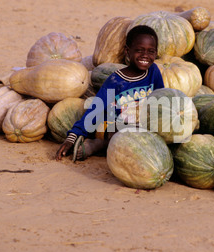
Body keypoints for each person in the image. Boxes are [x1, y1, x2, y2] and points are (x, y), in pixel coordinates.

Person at [55, 25, 165, 162]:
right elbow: (96, 110)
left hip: (144, 125)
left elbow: (161, 96)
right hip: (119, 128)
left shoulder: (153, 71)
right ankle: (99, 145)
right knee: (120, 132)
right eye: (139, 50)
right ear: (127, 51)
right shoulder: (115, 80)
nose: (145, 56)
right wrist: (73, 136)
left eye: (151, 51)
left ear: (156, 53)